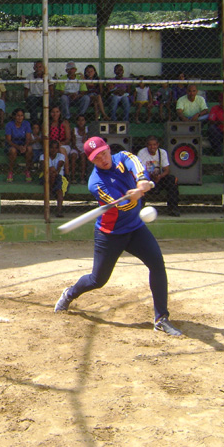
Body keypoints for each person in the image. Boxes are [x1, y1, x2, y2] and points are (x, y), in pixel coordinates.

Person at [54, 136, 182, 337]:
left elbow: (138, 166)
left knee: (157, 264)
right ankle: (70, 293)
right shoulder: (95, 183)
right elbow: (123, 206)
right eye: (97, 158)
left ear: (108, 149)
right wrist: (136, 196)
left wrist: (141, 182)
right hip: (110, 234)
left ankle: (161, 318)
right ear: (91, 161)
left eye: (104, 153)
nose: (103, 159)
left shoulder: (123, 157)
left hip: (136, 228)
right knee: (98, 280)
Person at [136, 135, 181, 217]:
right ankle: (140, 209)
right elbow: (140, 170)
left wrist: (160, 176)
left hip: (160, 178)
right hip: (147, 178)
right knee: (138, 181)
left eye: (154, 145)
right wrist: (151, 176)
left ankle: (173, 209)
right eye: (150, 145)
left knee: (172, 179)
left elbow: (167, 170)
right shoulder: (142, 153)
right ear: (146, 145)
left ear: (158, 145)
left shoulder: (162, 152)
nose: (152, 147)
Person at [4, 108, 33, 182]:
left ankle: (27, 171)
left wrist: (25, 146)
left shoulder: (26, 124)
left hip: (23, 145)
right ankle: (10, 172)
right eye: (18, 115)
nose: (20, 117)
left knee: (29, 149)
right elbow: (9, 140)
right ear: (14, 116)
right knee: (13, 151)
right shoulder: (9, 125)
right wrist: (18, 147)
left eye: (21, 116)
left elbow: (28, 138)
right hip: (12, 145)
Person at [40, 139, 67, 218]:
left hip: (58, 176)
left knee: (60, 191)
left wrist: (53, 172)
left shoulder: (61, 156)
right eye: (51, 148)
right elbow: (44, 167)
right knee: (51, 170)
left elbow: (59, 167)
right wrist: (51, 171)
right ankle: (51, 191)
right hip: (45, 176)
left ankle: (59, 210)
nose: (53, 150)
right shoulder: (43, 156)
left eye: (56, 148)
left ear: (58, 149)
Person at [49, 105, 71, 176]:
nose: (55, 114)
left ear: (60, 113)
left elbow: (68, 139)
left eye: (57, 112)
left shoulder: (64, 123)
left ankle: (67, 174)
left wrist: (60, 143)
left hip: (63, 145)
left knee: (61, 150)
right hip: (51, 145)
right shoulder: (47, 124)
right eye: (53, 112)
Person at [69, 113, 90, 184]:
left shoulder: (87, 130)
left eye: (82, 120)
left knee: (83, 156)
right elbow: (73, 143)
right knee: (73, 156)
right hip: (75, 147)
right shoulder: (74, 130)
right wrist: (77, 150)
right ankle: (73, 177)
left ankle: (82, 177)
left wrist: (85, 136)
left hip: (85, 147)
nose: (81, 122)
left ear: (85, 121)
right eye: (79, 120)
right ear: (77, 122)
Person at [24, 60, 46, 126]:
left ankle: (43, 121)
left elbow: (51, 89)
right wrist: (26, 99)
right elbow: (26, 90)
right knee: (31, 99)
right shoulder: (29, 76)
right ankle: (35, 123)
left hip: (43, 97)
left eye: (40, 67)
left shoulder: (47, 76)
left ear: (43, 68)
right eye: (36, 67)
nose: (38, 69)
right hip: (33, 97)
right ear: (34, 68)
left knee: (49, 100)